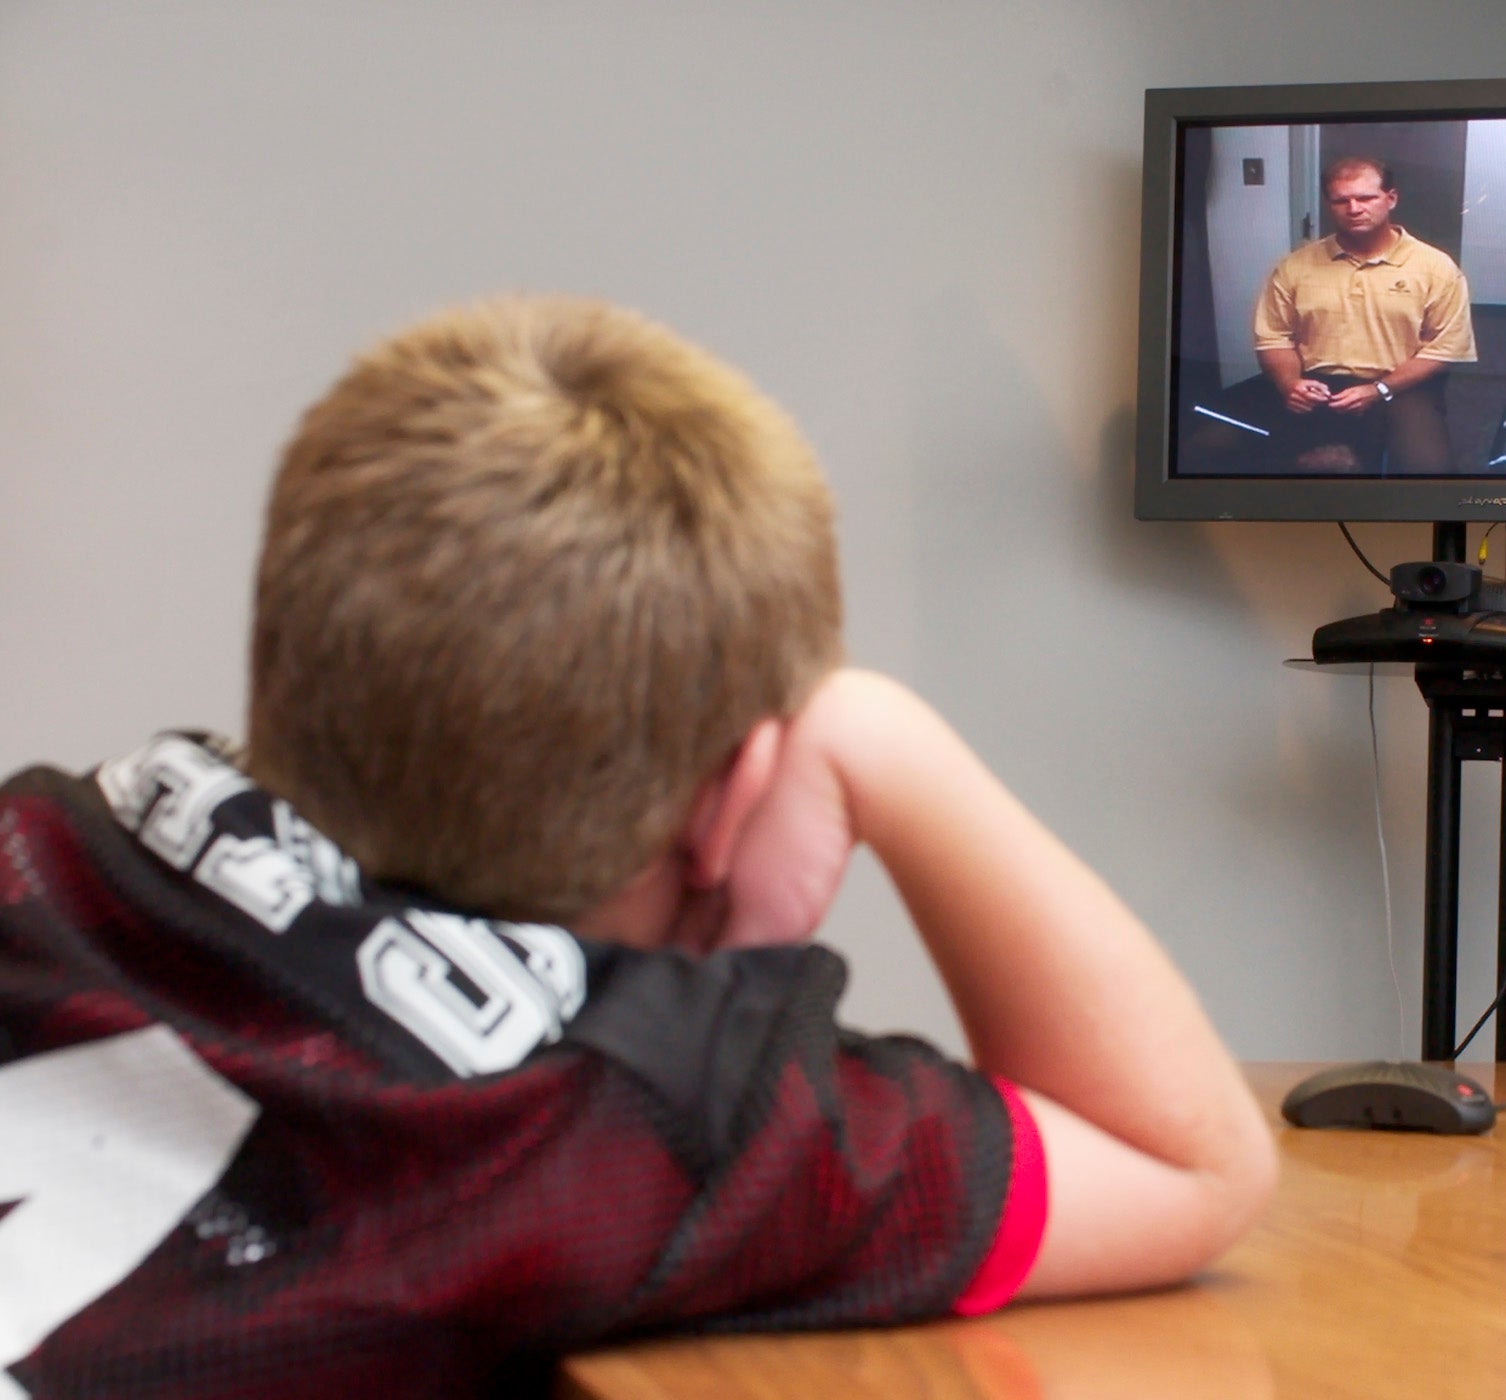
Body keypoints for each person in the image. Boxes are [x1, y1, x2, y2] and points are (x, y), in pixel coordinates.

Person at [0, 297, 1276, 1398]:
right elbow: (1190, 1159)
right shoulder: (638, 1113)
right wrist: (879, 734)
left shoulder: (42, 829)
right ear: (732, 806)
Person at [1249, 155, 1477, 473]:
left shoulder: (1436, 268)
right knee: (1215, 444)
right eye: (1342, 200)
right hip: (1316, 382)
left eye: (1366, 198)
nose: (1354, 209)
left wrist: (1378, 389)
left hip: (1398, 384)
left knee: (1428, 470)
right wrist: (1289, 383)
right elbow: (1273, 337)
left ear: (1390, 198)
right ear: (1330, 205)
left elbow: (1446, 347)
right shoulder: (1295, 266)